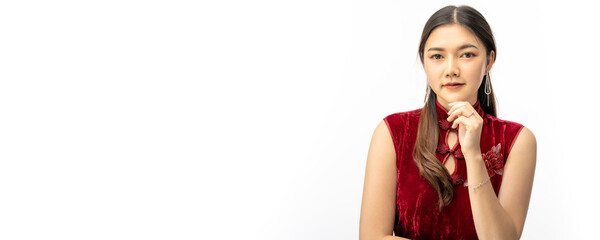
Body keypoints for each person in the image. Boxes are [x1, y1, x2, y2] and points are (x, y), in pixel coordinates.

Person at [359, 5, 537, 240]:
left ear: (490, 60)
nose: (451, 69)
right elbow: (371, 237)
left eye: (467, 54)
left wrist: (473, 155)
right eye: (437, 56)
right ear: (424, 62)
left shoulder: (517, 140)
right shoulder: (392, 132)